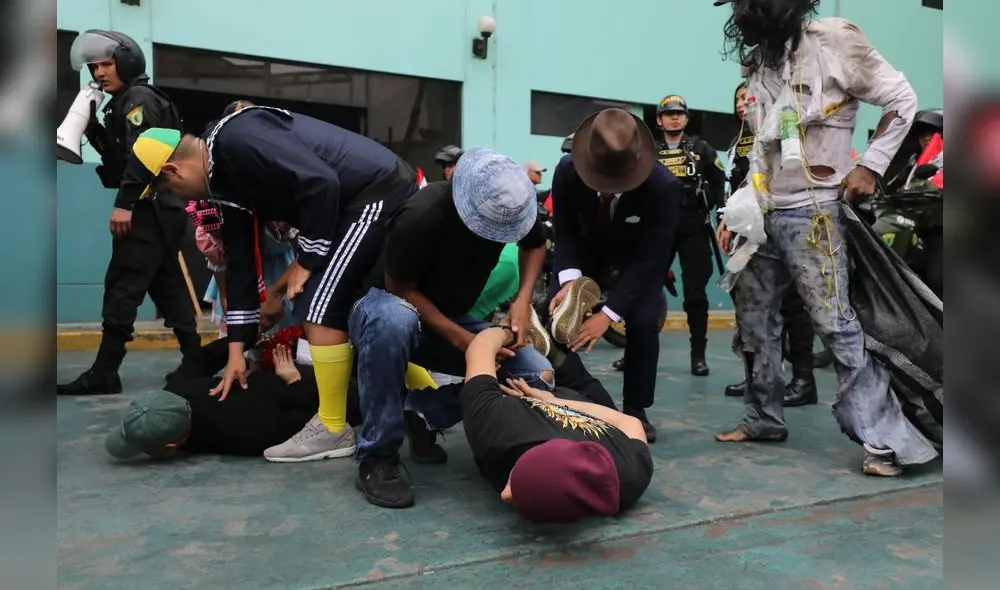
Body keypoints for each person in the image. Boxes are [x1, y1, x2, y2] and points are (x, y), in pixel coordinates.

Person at [712, 0, 939, 476]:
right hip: (763, 214)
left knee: (836, 325)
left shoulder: (834, 40)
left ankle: (885, 442)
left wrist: (869, 165)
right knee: (753, 323)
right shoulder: (757, 60)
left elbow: (902, 100)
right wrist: (740, 208)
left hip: (814, 212)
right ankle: (763, 418)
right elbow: (760, 147)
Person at [140, 105, 420, 466]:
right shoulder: (224, 180)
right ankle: (425, 394)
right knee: (336, 309)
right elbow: (239, 267)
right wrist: (237, 353)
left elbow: (321, 182)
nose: (180, 200)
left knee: (320, 307)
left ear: (172, 171)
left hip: (377, 190)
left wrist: (306, 260)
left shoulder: (235, 140)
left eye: (168, 191)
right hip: (349, 204)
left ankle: (333, 426)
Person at [346, 148, 554, 509]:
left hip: (454, 318)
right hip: (385, 309)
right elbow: (400, 290)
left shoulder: (513, 205)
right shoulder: (422, 214)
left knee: (536, 374)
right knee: (395, 319)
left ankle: (424, 413)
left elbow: (536, 246)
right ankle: (377, 456)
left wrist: (522, 299)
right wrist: (465, 341)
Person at [58, 30, 199, 396]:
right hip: (161, 209)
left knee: (123, 286)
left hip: (148, 208)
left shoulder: (137, 98)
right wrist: (91, 127)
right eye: (95, 66)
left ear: (128, 61)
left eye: (107, 63)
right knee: (167, 288)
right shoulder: (124, 101)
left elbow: (145, 155)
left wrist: (125, 204)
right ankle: (197, 364)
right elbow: (121, 159)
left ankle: (105, 372)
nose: (99, 72)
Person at [547, 108, 682, 442]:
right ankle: (556, 395)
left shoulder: (663, 187)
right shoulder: (567, 171)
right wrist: (569, 281)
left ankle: (636, 409)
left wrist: (607, 315)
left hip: (634, 260)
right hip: (585, 254)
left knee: (644, 322)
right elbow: (564, 230)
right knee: (550, 314)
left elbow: (652, 260)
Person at [459, 327, 653, 524]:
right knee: (562, 380)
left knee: (538, 374)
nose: (505, 494)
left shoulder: (493, 426)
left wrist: (500, 333)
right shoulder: (627, 480)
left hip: (511, 391)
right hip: (566, 401)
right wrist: (511, 332)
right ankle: (540, 335)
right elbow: (631, 421)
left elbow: (481, 345)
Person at [721, 82, 817, 406]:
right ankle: (759, 378)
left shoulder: (780, 133)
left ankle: (804, 380)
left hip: (782, 228)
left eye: (747, 97)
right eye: (737, 99)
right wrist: (728, 223)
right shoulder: (737, 142)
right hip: (746, 232)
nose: (742, 103)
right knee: (751, 308)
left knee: (792, 305)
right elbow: (734, 188)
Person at [105, 342, 320, 459]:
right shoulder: (176, 390)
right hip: (293, 379)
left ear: (170, 446)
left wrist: (242, 341)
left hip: (319, 388)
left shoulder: (241, 436)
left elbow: (310, 420)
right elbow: (199, 358)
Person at [651, 94, 727, 376]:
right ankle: (634, 348)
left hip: (693, 228)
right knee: (644, 287)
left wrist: (724, 218)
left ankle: (698, 356)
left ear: (686, 118)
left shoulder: (702, 149)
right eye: (668, 113)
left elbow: (720, 186)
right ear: (659, 120)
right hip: (659, 229)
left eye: (679, 113)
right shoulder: (650, 151)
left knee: (695, 294)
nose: (674, 117)